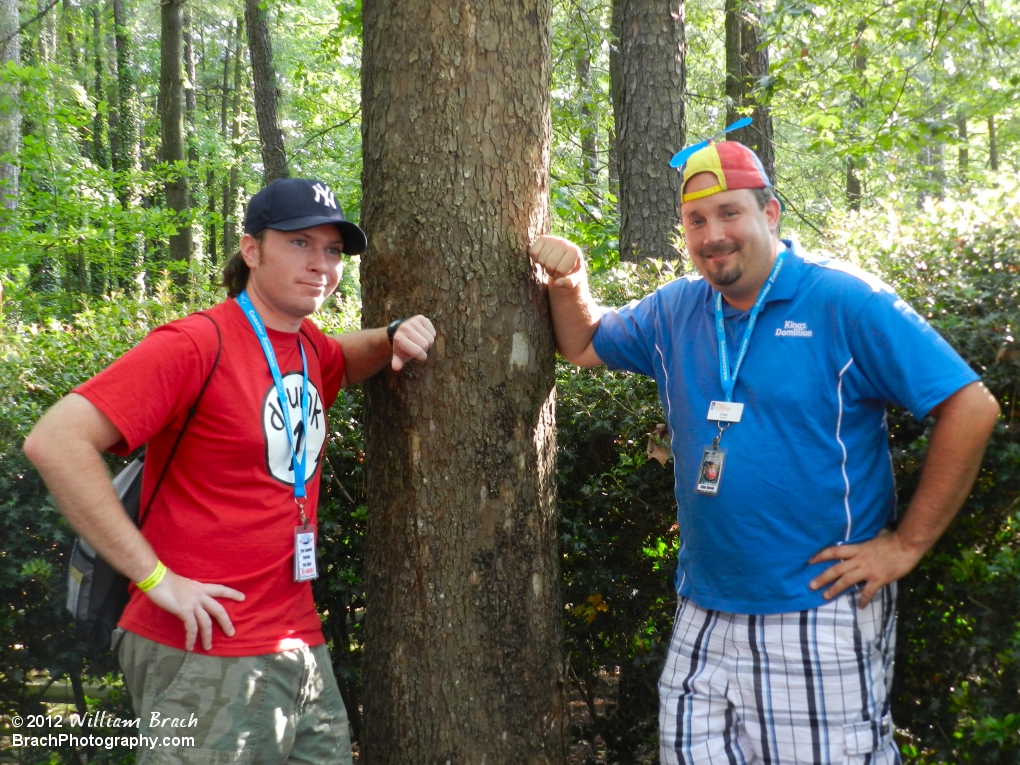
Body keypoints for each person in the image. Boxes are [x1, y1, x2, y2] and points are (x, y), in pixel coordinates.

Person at [529, 140, 999, 764]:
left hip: (817, 608)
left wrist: (906, 545)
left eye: (730, 214)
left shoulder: (843, 301)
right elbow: (585, 343)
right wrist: (569, 280)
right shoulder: (676, 310)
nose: (713, 234)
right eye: (697, 220)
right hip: (704, 611)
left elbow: (971, 405)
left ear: (770, 214)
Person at [24, 177, 436, 764]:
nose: (320, 263)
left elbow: (345, 356)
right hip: (203, 647)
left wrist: (393, 336)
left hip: (297, 642)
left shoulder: (309, 348)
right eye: (299, 243)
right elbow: (55, 441)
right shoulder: (195, 343)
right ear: (251, 250)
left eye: (333, 250)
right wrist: (154, 578)